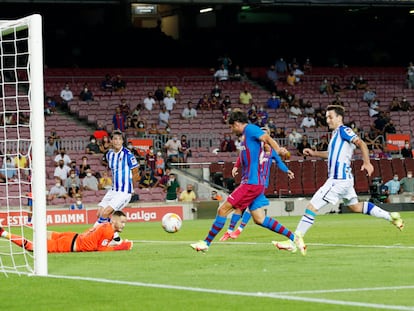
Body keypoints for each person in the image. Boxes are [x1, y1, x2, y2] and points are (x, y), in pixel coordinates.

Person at [274, 105, 404, 255]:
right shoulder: (336, 135)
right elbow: (331, 154)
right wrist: (315, 153)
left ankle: (294, 242)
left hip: (338, 179)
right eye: (327, 117)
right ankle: (392, 217)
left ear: (339, 118)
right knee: (355, 207)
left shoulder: (344, 130)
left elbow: (361, 143)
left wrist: (367, 162)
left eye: (330, 117)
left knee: (311, 207)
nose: (327, 120)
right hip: (345, 180)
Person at [190, 110, 305, 254]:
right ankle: (294, 238)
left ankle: (206, 243)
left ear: (237, 123)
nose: (231, 130)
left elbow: (267, 138)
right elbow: (246, 156)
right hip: (253, 183)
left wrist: (278, 149)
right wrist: (237, 167)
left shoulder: (250, 129)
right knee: (259, 219)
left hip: (251, 183)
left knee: (223, 209)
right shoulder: (246, 138)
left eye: (231, 127)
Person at [220, 127, 295, 241]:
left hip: (261, 184)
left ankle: (234, 231)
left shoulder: (271, 153)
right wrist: (236, 166)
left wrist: (287, 170)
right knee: (250, 211)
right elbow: (242, 155)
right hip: (251, 182)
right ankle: (234, 231)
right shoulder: (255, 148)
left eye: (265, 135)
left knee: (245, 207)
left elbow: (279, 162)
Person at [0, 211, 133, 252]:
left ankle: (35, 229)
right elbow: (100, 249)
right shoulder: (109, 231)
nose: (124, 225)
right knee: (33, 248)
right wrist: (121, 247)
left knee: (47, 233)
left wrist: (116, 244)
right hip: (70, 244)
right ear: (114, 221)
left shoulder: (104, 225)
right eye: (122, 222)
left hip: (73, 236)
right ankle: (3, 233)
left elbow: (94, 236)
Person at [94, 130, 140, 244]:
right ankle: (116, 238)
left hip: (124, 191)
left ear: (122, 141)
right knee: (99, 213)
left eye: (120, 139)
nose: (117, 141)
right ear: (112, 141)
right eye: (115, 139)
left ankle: (92, 234)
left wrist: (131, 188)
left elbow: (136, 172)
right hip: (114, 190)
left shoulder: (128, 154)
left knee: (106, 213)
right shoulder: (109, 154)